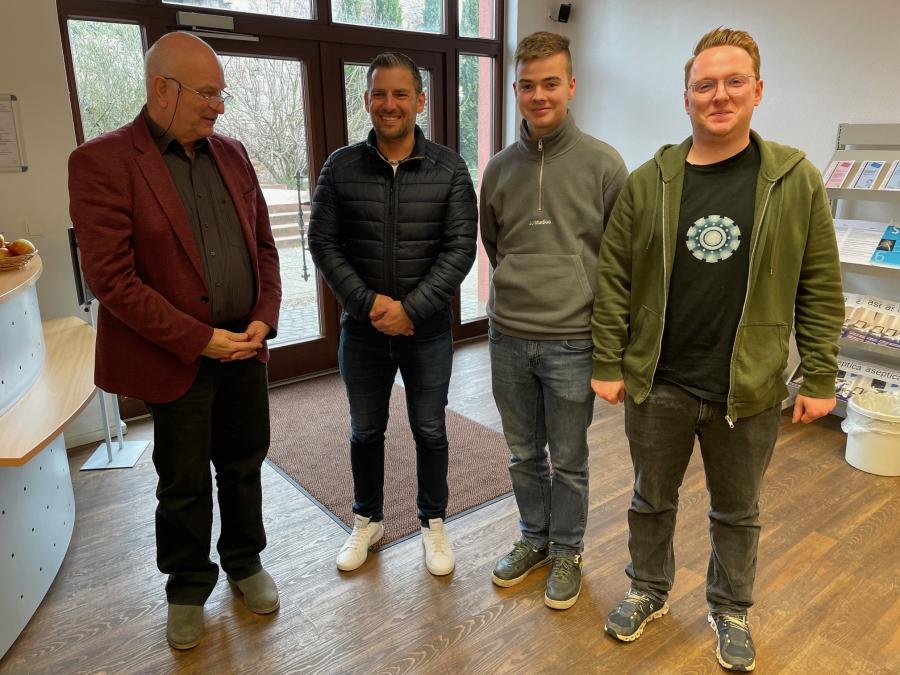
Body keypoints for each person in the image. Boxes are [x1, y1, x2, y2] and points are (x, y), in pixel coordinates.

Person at [591, 27, 843, 671]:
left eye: (734, 82)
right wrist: (607, 361)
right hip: (660, 381)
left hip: (749, 387)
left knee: (738, 511)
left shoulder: (796, 180)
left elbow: (819, 282)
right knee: (651, 500)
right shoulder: (650, 182)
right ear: (686, 98)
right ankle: (648, 590)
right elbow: (614, 277)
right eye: (705, 85)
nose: (719, 95)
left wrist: (819, 375)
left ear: (758, 90)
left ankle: (730, 608)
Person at [68, 32, 282, 651]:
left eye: (221, 94)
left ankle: (245, 560)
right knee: (183, 480)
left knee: (243, 464)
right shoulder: (102, 162)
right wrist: (200, 339)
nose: (218, 106)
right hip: (176, 357)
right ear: (162, 89)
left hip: (244, 348)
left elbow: (264, 249)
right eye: (207, 93)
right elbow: (112, 280)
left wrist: (263, 318)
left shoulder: (234, 154)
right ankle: (187, 585)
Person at [308, 52, 477, 577]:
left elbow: (460, 248)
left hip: (426, 332)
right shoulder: (340, 167)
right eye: (379, 94)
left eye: (400, 94)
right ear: (366, 100)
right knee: (365, 430)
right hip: (362, 332)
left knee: (430, 429)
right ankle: (368, 519)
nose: (389, 104)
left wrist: (411, 309)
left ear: (420, 101)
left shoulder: (450, 169)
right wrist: (369, 303)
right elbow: (324, 243)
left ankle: (433, 521)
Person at [480, 31, 627, 610]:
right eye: (527, 85)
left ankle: (567, 550)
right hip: (508, 337)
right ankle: (534, 539)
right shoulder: (498, 168)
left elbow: (618, 261)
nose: (538, 95)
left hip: (573, 341)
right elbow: (496, 244)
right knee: (522, 454)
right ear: (515, 89)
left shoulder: (604, 165)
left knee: (568, 460)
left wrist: (608, 345)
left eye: (550, 83)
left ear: (571, 86)